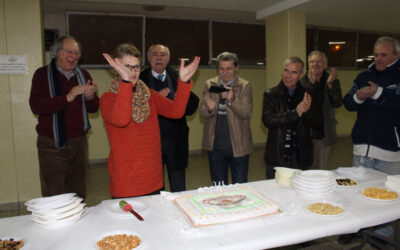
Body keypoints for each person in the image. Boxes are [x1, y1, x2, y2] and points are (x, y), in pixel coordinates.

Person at [100, 43, 200, 198]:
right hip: (126, 183)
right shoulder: (108, 99)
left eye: (136, 67)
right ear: (115, 68)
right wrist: (126, 83)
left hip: (153, 179)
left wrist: (184, 82)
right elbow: (122, 119)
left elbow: (176, 112)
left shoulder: (149, 95)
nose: (133, 72)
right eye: (127, 67)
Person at [29, 36, 99, 199]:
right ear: (57, 52)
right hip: (52, 143)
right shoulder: (42, 74)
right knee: (54, 194)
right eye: (69, 51)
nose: (73, 56)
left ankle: (77, 224)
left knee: (78, 193)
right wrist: (67, 97)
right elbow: (36, 106)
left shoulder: (84, 74)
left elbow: (94, 108)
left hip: (79, 143)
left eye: (77, 53)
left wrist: (90, 97)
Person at [139, 44, 199, 192]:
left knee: (179, 189)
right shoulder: (139, 79)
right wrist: (156, 100)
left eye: (163, 54)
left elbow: (192, 107)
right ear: (148, 58)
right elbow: (135, 111)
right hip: (151, 143)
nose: (159, 58)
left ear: (168, 59)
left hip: (176, 142)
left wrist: (181, 99)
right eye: (154, 54)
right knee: (154, 189)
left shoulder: (178, 76)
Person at [344, 36, 400, 175]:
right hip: (361, 152)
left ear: (396, 55)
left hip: (389, 154)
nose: (378, 59)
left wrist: (378, 93)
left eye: (383, 55)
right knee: (357, 192)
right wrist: (358, 97)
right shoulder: (364, 76)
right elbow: (348, 103)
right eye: (375, 55)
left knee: (390, 194)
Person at [262, 56, 321, 179]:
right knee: (274, 194)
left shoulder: (308, 94)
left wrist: (307, 110)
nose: (288, 76)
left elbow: (317, 123)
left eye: (293, 72)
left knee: (298, 194)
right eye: (286, 70)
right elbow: (268, 120)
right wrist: (295, 113)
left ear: (301, 74)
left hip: (300, 156)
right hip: (277, 156)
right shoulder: (271, 94)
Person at [199, 52, 252, 185]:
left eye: (229, 68)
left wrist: (232, 100)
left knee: (240, 189)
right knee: (219, 189)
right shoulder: (210, 84)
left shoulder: (244, 86)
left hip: (239, 147)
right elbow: (202, 112)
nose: (225, 72)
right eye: (221, 68)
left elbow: (246, 112)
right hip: (215, 148)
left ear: (236, 68)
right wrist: (209, 109)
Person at [301, 51, 343, 170]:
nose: (315, 64)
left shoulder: (332, 81)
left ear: (325, 64)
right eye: (312, 62)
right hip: (305, 133)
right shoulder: (303, 81)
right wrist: (312, 83)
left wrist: (329, 85)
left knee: (319, 170)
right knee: (303, 169)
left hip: (323, 132)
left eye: (319, 61)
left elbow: (338, 103)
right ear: (308, 64)